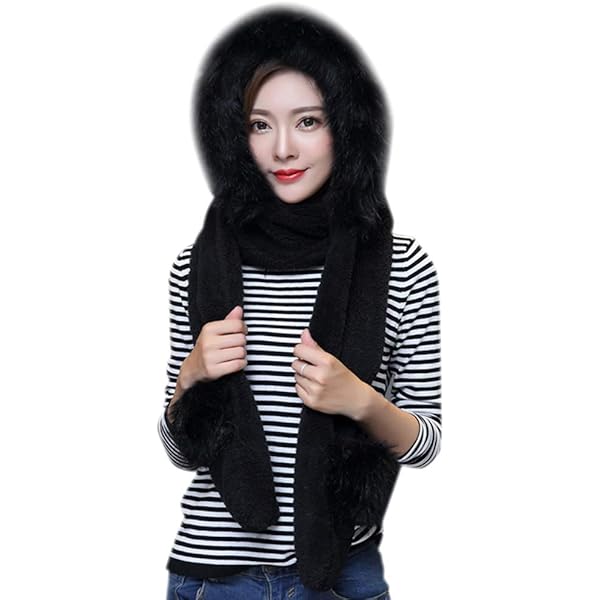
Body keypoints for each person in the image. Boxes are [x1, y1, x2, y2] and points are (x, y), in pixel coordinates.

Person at [158, 7, 441, 600]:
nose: (283, 148)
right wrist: (191, 376)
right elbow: (181, 452)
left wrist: (360, 401)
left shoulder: (403, 265)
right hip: (214, 578)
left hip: (342, 574)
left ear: (347, 125)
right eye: (259, 125)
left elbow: (426, 442)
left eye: (307, 121)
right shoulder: (196, 265)